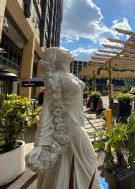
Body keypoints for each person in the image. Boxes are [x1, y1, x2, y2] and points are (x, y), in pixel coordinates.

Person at [26, 48, 101, 189]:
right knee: (89, 156)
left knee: (65, 160)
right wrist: (40, 142)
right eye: (63, 50)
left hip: (77, 121)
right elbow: (47, 109)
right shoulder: (55, 77)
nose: (68, 51)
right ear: (57, 57)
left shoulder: (71, 75)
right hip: (68, 124)